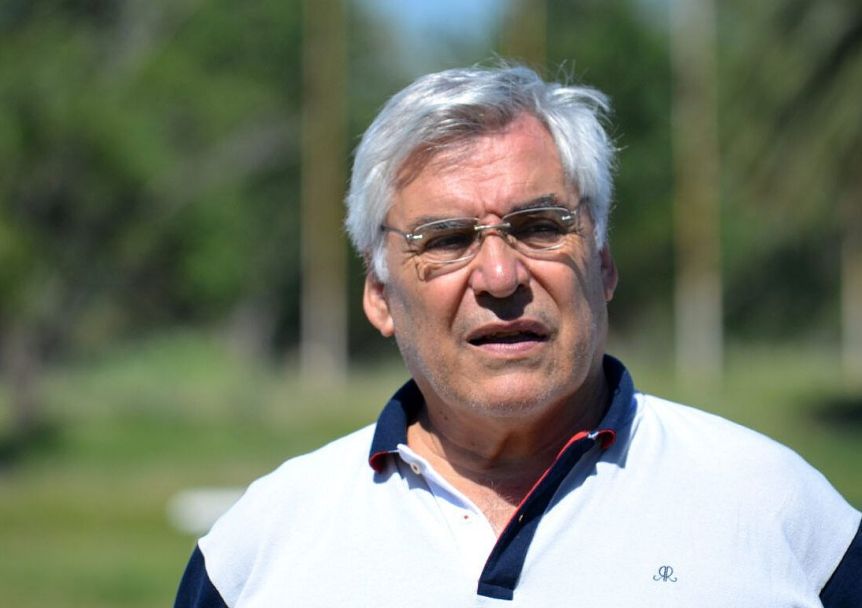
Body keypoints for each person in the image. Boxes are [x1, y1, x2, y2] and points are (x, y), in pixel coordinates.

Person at [174, 64, 861, 607]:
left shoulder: (778, 512)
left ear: (604, 265)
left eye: (539, 227)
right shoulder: (259, 551)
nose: (501, 276)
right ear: (380, 297)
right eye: (446, 239)